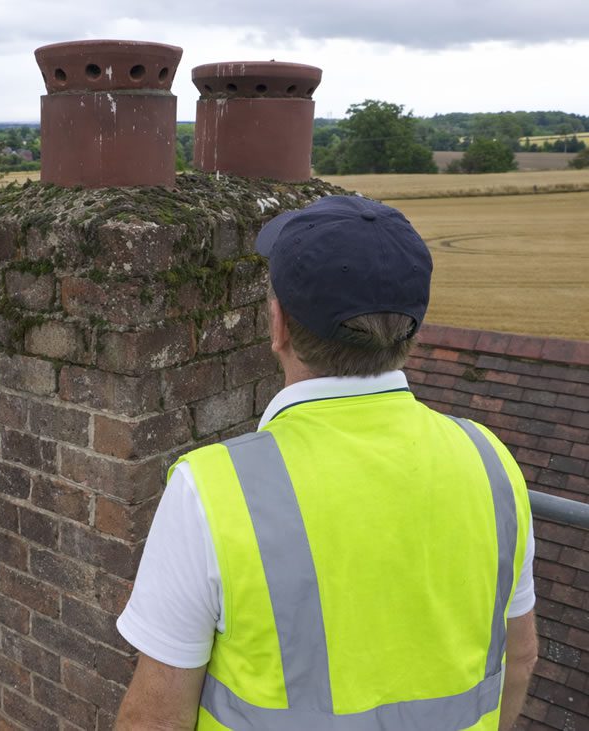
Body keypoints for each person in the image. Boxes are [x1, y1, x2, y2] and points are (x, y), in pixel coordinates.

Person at [114, 195, 537, 731]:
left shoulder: (212, 489)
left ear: (280, 325)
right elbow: (519, 659)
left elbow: (156, 717)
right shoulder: (489, 460)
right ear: (411, 326)